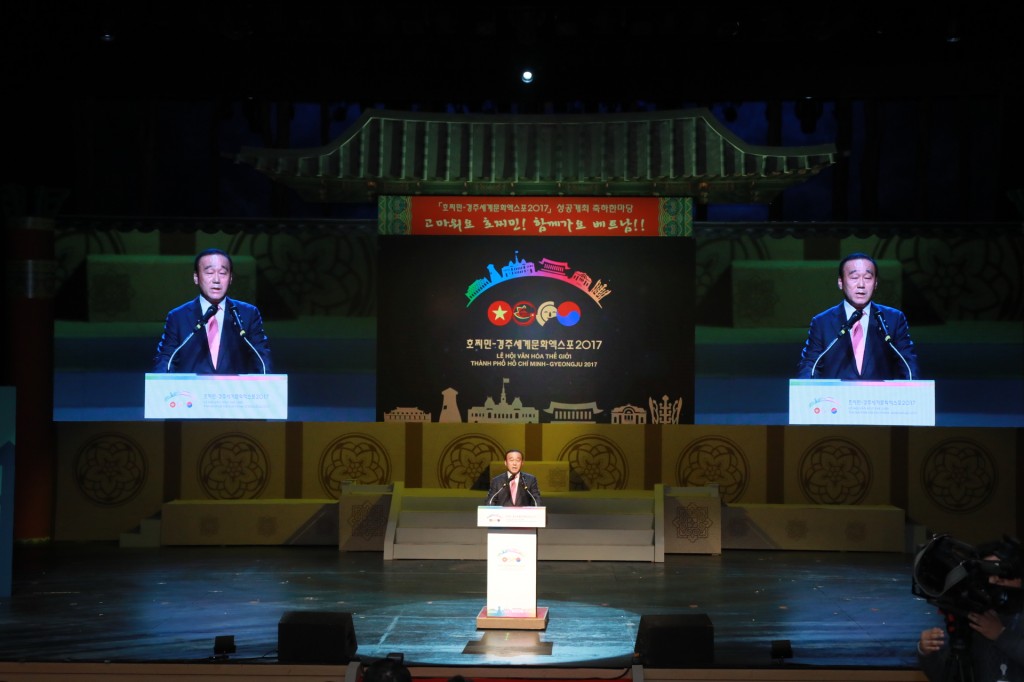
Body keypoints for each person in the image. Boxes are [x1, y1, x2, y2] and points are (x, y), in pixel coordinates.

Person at [796, 252, 920, 380]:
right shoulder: (822, 322)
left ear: (876, 283)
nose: (861, 285)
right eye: (854, 277)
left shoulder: (894, 319)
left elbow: (908, 365)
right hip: (837, 398)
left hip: (879, 398)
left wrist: (914, 390)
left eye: (867, 278)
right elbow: (810, 365)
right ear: (840, 282)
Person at [917, 538, 1024, 682]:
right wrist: (926, 652)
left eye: (1003, 573)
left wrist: (1000, 634)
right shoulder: (971, 616)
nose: (996, 580)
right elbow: (943, 676)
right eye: (988, 573)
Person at [151, 248, 273, 374]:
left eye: (222, 273)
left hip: (233, 392)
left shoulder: (248, 314)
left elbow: (262, 360)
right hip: (192, 392)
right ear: (196, 277)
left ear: (230, 278)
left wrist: (267, 386)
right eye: (209, 272)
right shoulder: (177, 317)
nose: (216, 280)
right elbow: (165, 360)